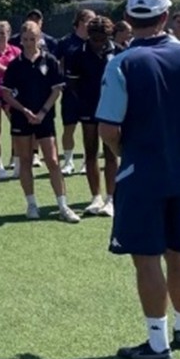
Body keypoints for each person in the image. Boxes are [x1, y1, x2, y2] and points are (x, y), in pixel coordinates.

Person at [96, 0, 180, 359]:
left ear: (129, 20)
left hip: (141, 173)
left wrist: (127, 153)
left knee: (146, 258)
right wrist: (178, 128)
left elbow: (109, 130)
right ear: (166, 16)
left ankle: (157, 343)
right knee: (179, 251)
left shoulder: (122, 63)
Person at [0, 20, 77, 222]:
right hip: (21, 118)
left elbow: (56, 90)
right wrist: (24, 111)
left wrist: (42, 112)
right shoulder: (15, 65)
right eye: (25, 39)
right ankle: (31, 204)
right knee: (25, 160)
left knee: (52, 160)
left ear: (39, 37)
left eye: (32, 39)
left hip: (45, 117)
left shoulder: (50, 61)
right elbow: (7, 94)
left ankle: (63, 205)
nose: (28, 43)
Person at [66, 17, 117, 217]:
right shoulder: (77, 54)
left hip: (113, 109)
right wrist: (86, 101)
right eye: (94, 38)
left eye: (102, 38)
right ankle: (96, 197)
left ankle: (111, 199)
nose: (98, 42)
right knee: (90, 152)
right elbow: (72, 84)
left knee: (111, 153)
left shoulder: (119, 51)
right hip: (88, 108)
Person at [56, 9, 97, 175]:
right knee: (69, 128)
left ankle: (88, 162)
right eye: (90, 21)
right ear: (80, 22)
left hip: (91, 94)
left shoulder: (96, 42)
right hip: (71, 92)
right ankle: (68, 161)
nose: (93, 24)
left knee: (91, 130)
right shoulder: (65, 42)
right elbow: (57, 64)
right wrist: (61, 82)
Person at [0, 20, 21, 180]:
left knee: (16, 128)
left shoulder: (16, 51)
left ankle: (15, 160)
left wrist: (2, 68)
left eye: (3, 33)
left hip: (11, 95)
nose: (1, 36)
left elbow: (19, 72)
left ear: (9, 33)